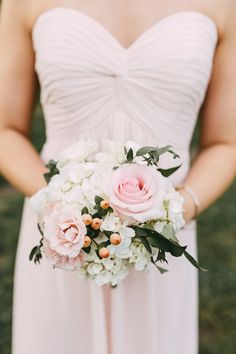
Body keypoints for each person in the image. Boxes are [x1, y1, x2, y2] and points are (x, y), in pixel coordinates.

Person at [0, 0, 235, 353]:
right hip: (60, 239)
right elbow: (5, 129)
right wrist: (67, 209)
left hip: (160, 249)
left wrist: (171, 214)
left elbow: (226, 142)